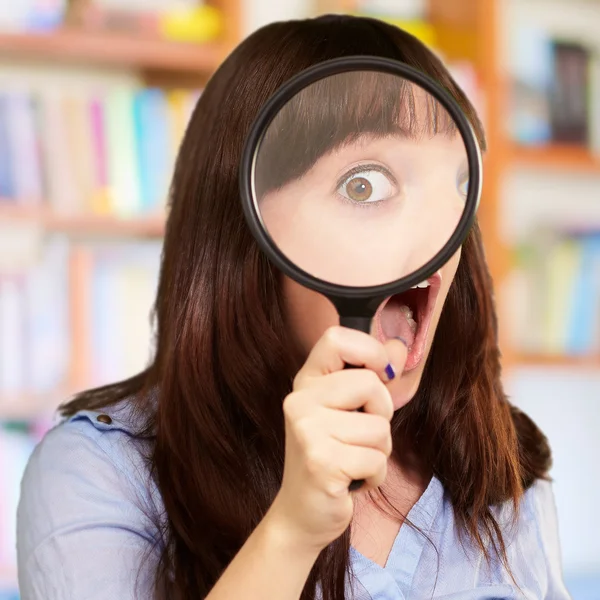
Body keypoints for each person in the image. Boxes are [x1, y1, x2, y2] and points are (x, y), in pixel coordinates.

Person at [16, 14, 571, 600]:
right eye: (366, 184)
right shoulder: (98, 473)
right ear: (245, 227)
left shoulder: (496, 462)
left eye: (459, 183)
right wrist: (291, 533)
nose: (437, 234)